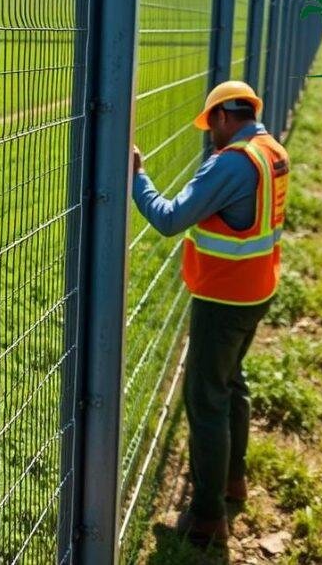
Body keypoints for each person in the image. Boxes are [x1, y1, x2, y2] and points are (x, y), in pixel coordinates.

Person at [129, 80, 289, 546]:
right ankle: (233, 482)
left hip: (224, 297)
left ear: (222, 117)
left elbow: (169, 218)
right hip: (258, 288)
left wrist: (136, 176)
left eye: (210, 126)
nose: (209, 136)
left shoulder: (232, 162)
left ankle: (206, 517)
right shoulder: (271, 150)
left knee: (206, 400)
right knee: (231, 384)